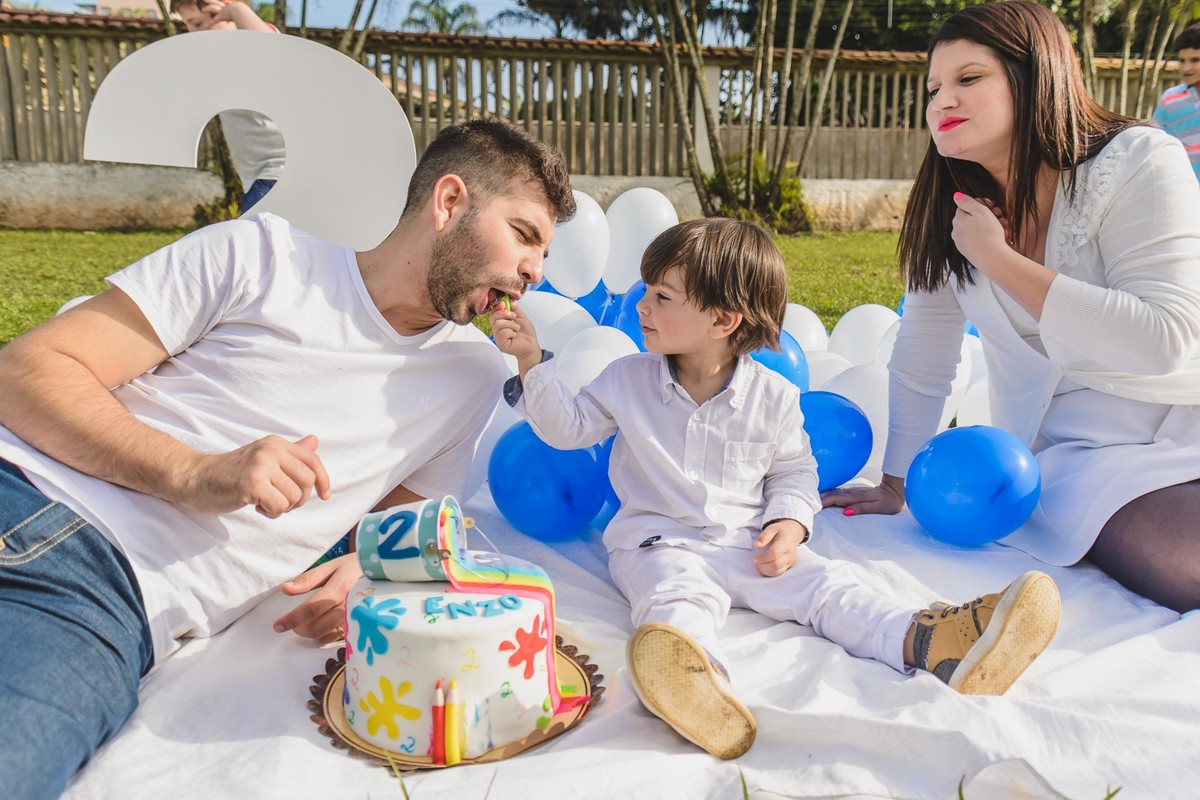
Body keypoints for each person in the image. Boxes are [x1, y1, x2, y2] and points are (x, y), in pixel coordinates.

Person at [0, 118, 575, 799]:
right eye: (525, 235)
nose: (536, 270)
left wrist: (364, 567)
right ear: (449, 203)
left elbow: (403, 522)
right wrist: (192, 473)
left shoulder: (473, 376)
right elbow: (27, 371)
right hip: (22, 488)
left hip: (107, 598)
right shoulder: (262, 254)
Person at [490, 217, 1061, 760]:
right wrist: (530, 364)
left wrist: (789, 525)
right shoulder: (626, 378)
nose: (641, 305)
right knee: (675, 598)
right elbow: (567, 430)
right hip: (657, 541)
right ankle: (695, 684)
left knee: (828, 588)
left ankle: (932, 641)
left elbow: (794, 474)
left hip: (748, 541)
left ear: (724, 320)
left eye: (663, 296)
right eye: (647, 291)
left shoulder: (773, 397)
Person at [822, 1, 1200, 614]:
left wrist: (1000, 261)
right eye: (933, 87)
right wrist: (896, 480)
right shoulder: (951, 205)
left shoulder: (1138, 159)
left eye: (969, 79)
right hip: (1087, 459)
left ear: (1035, 77)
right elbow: (925, 355)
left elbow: (1163, 340)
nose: (941, 101)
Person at [172, 0, 287, 213]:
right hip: (258, 178)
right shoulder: (221, 62)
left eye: (197, 22)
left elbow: (271, 46)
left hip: (276, 175)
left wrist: (237, 10)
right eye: (188, 24)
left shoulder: (255, 51)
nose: (192, 31)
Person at [1153, 22, 1200, 183]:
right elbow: (1157, 146)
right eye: (1181, 61)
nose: (1186, 68)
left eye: (1195, 60)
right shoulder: (1169, 100)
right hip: (1185, 190)